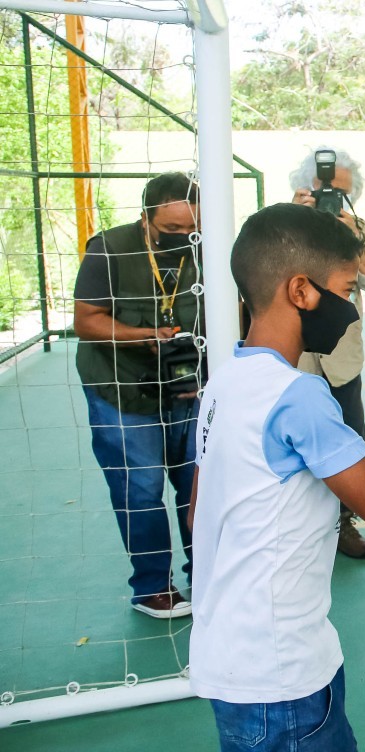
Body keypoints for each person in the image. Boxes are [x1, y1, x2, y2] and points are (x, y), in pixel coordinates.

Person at [187, 203, 365, 750]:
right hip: (281, 677)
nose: (349, 305)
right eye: (345, 288)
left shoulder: (225, 380)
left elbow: (200, 512)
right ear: (301, 291)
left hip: (234, 658)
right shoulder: (297, 397)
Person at [72, 172, 202, 619]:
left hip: (188, 389)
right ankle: (152, 588)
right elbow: (86, 320)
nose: (184, 239)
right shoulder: (108, 249)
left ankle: (207, 575)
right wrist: (143, 336)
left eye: (192, 231)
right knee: (141, 490)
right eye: (171, 231)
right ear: (145, 219)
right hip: (122, 389)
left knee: (197, 486)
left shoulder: (208, 248)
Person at [289, 146, 365, 559]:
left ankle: (344, 524)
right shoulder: (280, 224)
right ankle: (296, 533)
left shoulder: (357, 226)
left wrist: (355, 238)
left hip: (341, 361)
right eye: (322, 188)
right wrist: (293, 217)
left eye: (340, 191)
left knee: (349, 444)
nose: (330, 196)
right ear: (303, 188)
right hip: (291, 361)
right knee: (291, 447)